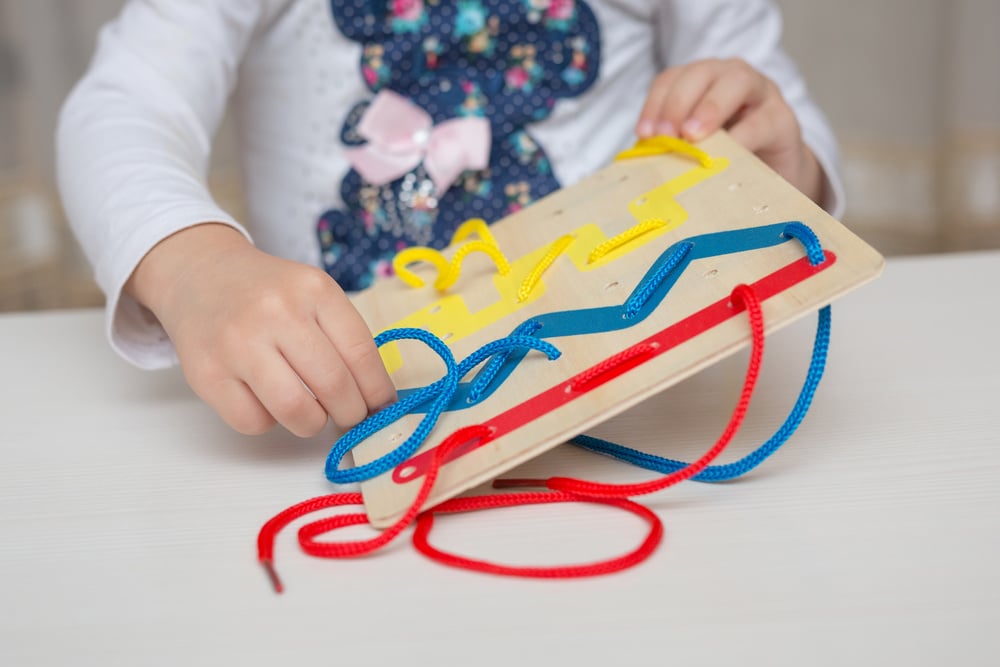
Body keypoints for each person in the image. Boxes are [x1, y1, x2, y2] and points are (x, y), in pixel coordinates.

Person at [57, 0, 844, 439]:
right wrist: (193, 265)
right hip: (346, 414)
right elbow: (124, 108)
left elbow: (779, 116)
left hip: (643, 406)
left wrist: (777, 166)